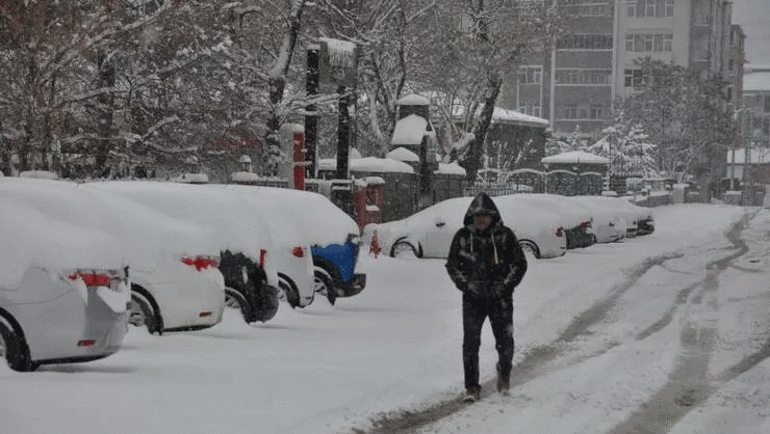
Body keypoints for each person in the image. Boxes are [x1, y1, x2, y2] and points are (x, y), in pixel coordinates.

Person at [445, 192, 528, 402]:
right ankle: (472, 387)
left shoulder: (505, 235)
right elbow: (452, 265)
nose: (482, 220)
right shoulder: (463, 237)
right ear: (472, 217)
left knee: (505, 341)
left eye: (486, 216)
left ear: (493, 217)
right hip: (473, 299)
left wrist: (506, 286)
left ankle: (504, 376)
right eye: (478, 216)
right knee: (471, 343)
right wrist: (465, 285)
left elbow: (520, 264)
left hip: (500, 299)